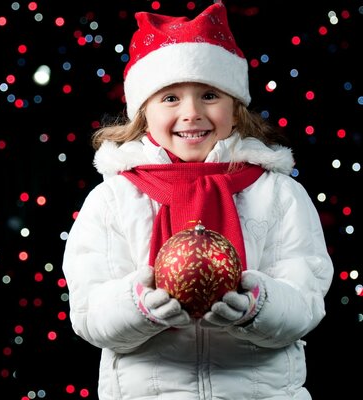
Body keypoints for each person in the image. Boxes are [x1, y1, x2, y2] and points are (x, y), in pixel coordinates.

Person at [61, 2, 334, 399]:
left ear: (236, 109)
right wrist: (143, 305)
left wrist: (256, 305)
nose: (191, 113)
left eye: (209, 95)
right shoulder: (114, 199)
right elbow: (89, 314)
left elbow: (306, 302)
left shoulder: (278, 194)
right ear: (143, 113)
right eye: (169, 98)